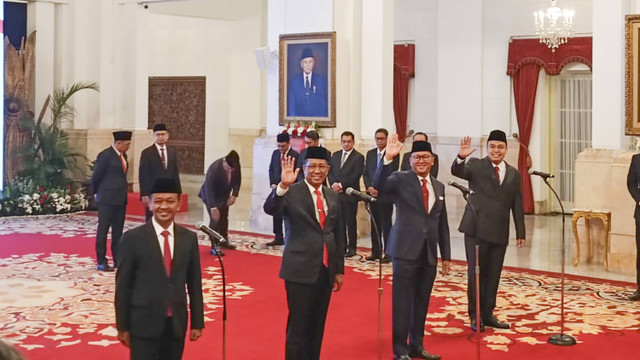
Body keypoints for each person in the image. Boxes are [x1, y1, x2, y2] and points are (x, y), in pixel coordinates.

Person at [263, 147, 345, 360]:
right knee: (298, 326)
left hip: (325, 270)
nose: (317, 171)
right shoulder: (292, 192)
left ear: (328, 169)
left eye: (322, 166)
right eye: (312, 166)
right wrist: (282, 186)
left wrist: (338, 270)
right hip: (299, 269)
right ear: (304, 168)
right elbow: (270, 208)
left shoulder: (332, 196)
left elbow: (337, 234)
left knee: (317, 326)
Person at [374, 136, 450, 360]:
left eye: (426, 157)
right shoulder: (400, 179)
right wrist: (387, 158)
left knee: (422, 301)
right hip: (405, 251)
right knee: (403, 302)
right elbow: (377, 186)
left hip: (428, 254)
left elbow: (441, 222)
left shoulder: (439, 186)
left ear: (433, 160)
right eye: (417, 157)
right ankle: (400, 349)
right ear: (410, 160)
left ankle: (417, 345)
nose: (421, 161)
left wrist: (445, 255)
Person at [115, 177, 204, 360]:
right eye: (159, 201)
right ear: (150, 204)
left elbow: (194, 284)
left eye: (170, 201)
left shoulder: (189, 239)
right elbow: (123, 286)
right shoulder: (133, 239)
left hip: (175, 324)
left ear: (179, 204)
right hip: (143, 322)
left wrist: (197, 322)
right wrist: (122, 326)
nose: (164, 207)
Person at [451, 130, 526, 331]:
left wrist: (521, 231)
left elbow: (517, 203)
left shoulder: (513, 173)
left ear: (506, 149)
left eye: (500, 147)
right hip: (476, 228)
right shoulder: (476, 165)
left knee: (493, 274)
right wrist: (460, 157)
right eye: (492, 146)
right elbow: (457, 172)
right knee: (476, 273)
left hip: (499, 231)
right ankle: (475, 316)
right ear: (487, 148)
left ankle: (488, 313)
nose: (496, 150)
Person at [91, 130, 132, 272]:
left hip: (120, 199)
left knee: (118, 231)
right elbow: (96, 176)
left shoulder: (123, 155)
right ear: (118, 143)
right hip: (107, 199)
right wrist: (95, 193)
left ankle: (118, 259)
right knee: (103, 230)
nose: (128, 147)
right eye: (127, 144)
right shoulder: (105, 156)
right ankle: (101, 261)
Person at [363, 128, 398, 263]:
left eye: (382, 138)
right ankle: (375, 251)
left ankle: (388, 253)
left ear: (387, 139)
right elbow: (366, 173)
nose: (379, 141)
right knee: (374, 224)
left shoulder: (392, 154)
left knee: (386, 224)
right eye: (377, 138)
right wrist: (369, 187)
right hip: (371, 194)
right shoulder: (371, 153)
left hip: (385, 195)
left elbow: (392, 173)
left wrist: (379, 188)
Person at [328, 131, 364, 257]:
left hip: (349, 194)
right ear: (341, 142)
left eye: (349, 141)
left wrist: (341, 185)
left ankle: (352, 248)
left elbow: (355, 175)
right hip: (336, 194)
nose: (346, 144)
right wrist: (333, 184)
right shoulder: (335, 155)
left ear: (353, 142)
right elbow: (330, 172)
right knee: (339, 222)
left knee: (350, 222)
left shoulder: (358, 157)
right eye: (344, 141)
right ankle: (341, 247)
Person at [199, 150, 241, 253]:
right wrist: (213, 207)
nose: (231, 171)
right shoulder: (214, 169)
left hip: (224, 196)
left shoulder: (235, 165)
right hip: (211, 197)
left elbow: (237, 179)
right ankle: (214, 246)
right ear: (224, 163)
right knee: (215, 220)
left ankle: (224, 241)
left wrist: (234, 195)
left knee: (224, 218)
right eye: (229, 169)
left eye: (233, 169)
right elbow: (209, 190)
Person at [139, 123, 182, 222]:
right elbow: (143, 174)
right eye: (158, 135)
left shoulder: (172, 152)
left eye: (163, 134)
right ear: (153, 136)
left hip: (169, 191)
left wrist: (179, 193)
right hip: (153, 192)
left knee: (168, 217)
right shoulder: (147, 153)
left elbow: (175, 173)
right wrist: (144, 194)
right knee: (151, 219)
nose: (161, 137)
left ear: (167, 135)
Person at [267, 133, 300, 246]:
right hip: (277, 189)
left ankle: (290, 237)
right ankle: (278, 237)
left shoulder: (295, 155)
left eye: (283, 146)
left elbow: (297, 175)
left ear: (288, 143)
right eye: (279, 146)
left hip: (289, 191)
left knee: (288, 215)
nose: (281, 148)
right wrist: (272, 184)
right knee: (276, 214)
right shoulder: (275, 154)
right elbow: (271, 169)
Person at [287, 47, 328, 117]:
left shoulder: (321, 80)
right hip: (299, 122)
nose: (308, 65)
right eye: (305, 62)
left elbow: (323, 106)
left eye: (310, 62)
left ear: (314, 63)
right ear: (301, 64)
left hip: (317, 121)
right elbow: (292, 105)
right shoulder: (294, 82)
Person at [626, 153, 640, 301]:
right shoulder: (636, 159)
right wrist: (639, 199)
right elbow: (631, 183)